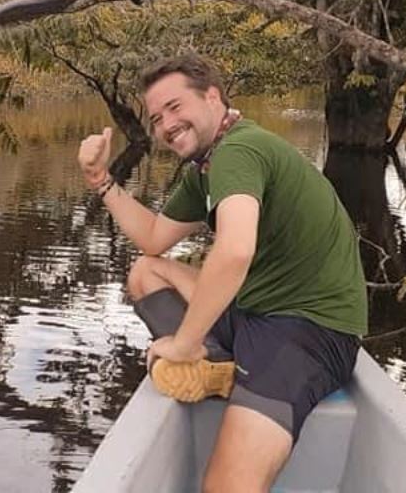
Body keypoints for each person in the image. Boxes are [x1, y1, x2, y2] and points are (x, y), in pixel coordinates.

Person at [77, 54, 368, 492]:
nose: (166, 125)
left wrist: (182, 343)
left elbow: (234, 251)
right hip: (257, 311)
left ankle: (203, 355)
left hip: (308, 330)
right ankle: (215, 365)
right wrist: (100, 178)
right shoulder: (207, 168)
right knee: (147, 271)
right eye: (156, 118)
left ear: (213, 97)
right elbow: (153, 238)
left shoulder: (238, 151)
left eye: (175, 107)